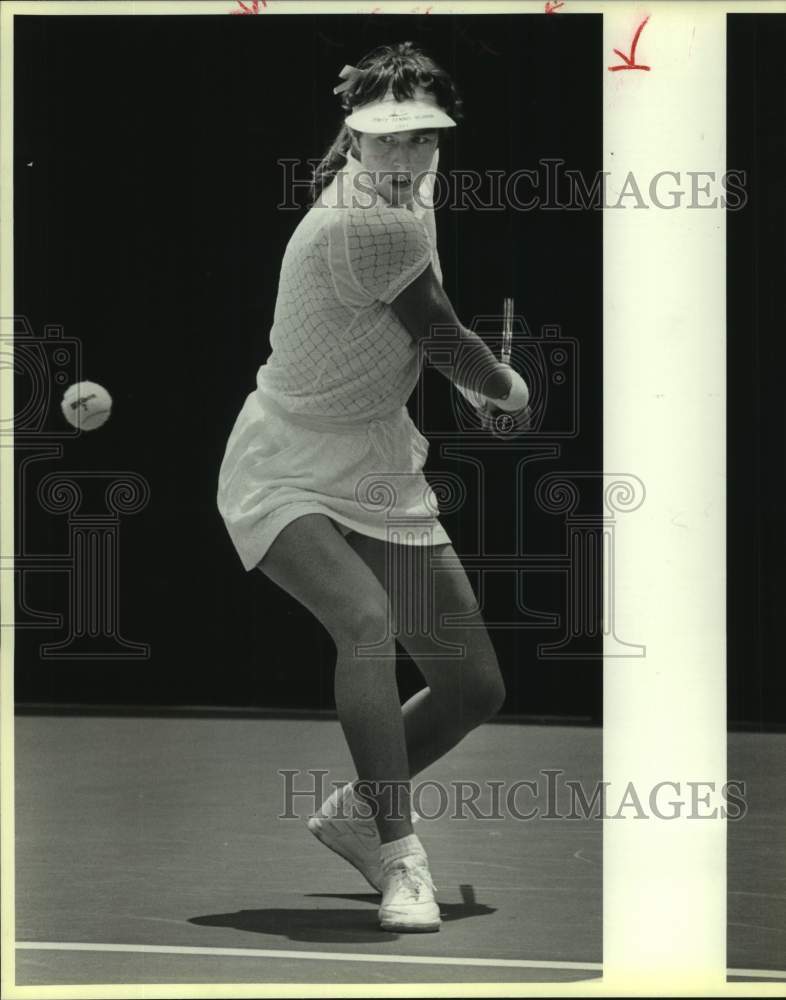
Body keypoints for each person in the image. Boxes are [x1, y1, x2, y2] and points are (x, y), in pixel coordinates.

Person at [217, 41, 530, 934]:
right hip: (284, 463)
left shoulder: (410, 189)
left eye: (421, 139)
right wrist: (504, 388)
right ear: (355, 138)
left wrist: (464, 367)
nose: (404, 158)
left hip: (379, 459)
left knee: (473, 687)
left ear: (439, 141)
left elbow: (425, 314)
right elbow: (438, 334)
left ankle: (357, 808)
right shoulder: (369, 217)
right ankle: (401, 857)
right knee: (365, 621)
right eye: (386, 142)